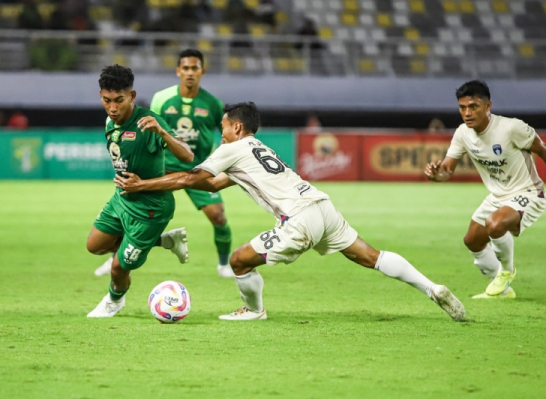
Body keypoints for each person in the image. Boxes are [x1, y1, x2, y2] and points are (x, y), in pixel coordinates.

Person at [114, 102, 466, 322]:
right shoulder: (256, 149)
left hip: (298, 218)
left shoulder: (234, 147)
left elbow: (192, 176)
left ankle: (253, 310)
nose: (221, 133)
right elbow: (211, 185)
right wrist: (180, 181)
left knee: (239, 261)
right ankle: (432, 288)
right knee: (370, 255)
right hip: (322, 206)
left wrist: (141, 184)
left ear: (237, 127)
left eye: (223, 127)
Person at [425, 80, 546, 299]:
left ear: (488, 106)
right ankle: (502, 292)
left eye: (473, 106)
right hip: (498, 196)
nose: (467, 113)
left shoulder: (511, 128)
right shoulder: (462, 134)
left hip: (528, 192)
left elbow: (544, 151)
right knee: (472, 240)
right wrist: (436, 175)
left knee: (494, 224)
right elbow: (446, 170)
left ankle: (506, 270)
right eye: (462, 108)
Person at [94, 49, 235, 278]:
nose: (190, 72)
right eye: (186, 68)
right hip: (162, 167)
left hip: (197, 168)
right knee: (129, 213)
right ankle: (115, 258)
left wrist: (223, 159)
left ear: (202, 71)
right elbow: (146, 128)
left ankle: (223, 265)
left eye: (194, 68)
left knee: (218, 215)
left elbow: (226, 133)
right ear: (178, 70)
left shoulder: (212, 103)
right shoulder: (162, 98)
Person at [87, 64, 194, 318]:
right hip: (122, 199)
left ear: (131, 97)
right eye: (106, 101)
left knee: (117, 269)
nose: (112, 108)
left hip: (151, 209)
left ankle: (114, 301)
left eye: (119, 101)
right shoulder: (109, 122)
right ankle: (165, 240)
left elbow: (188, 156)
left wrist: (162, 132)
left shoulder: (149, 123)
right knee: (95, 246)